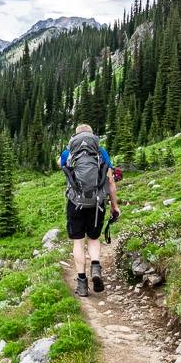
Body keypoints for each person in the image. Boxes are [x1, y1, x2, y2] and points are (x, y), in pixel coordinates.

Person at [57, 124, 120, 297]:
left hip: (75, 203)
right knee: (93, 239)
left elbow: (60, 166)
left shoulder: (68, 153)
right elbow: (111, 182)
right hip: (97, 203)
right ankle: (95, 266)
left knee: (78, 242)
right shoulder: (101, 152)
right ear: (92, 136)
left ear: (75, 136)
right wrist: (114, 206)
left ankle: (82, 284)